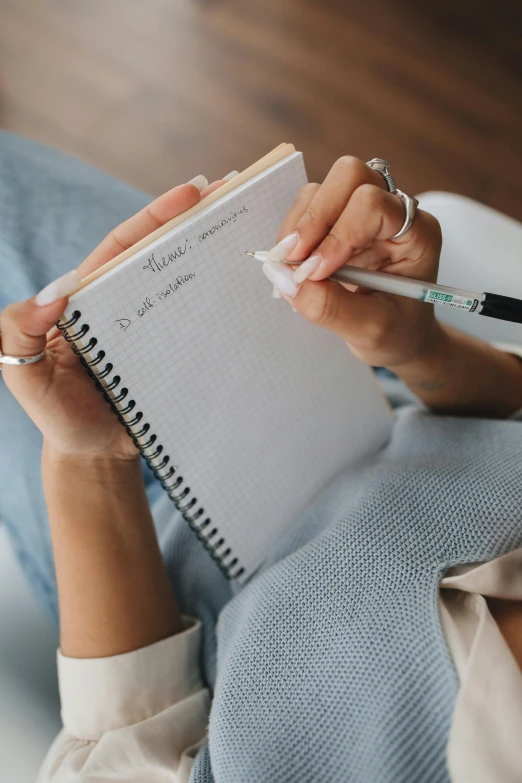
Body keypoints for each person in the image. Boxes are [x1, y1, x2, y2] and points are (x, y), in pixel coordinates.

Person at [1, 131, 522, 783]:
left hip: (139, 587)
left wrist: (92, 461)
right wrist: (415, 345)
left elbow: (119, 761)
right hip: (355, 406)